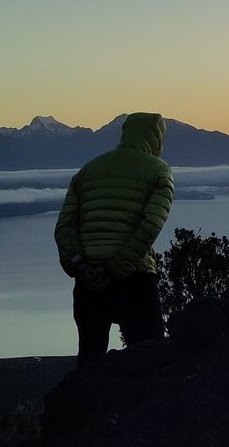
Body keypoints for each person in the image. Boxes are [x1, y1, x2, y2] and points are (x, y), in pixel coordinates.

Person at [54, 112, 175, 368]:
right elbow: (150, 225)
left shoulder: (87, 170)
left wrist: (79, 264)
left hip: (87, 282)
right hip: (134, 279)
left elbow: (64, 227)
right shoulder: (158, 170)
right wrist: (116, 268)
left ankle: (83, 408)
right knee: (150, 359)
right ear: (156, 138)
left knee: (89, 359)